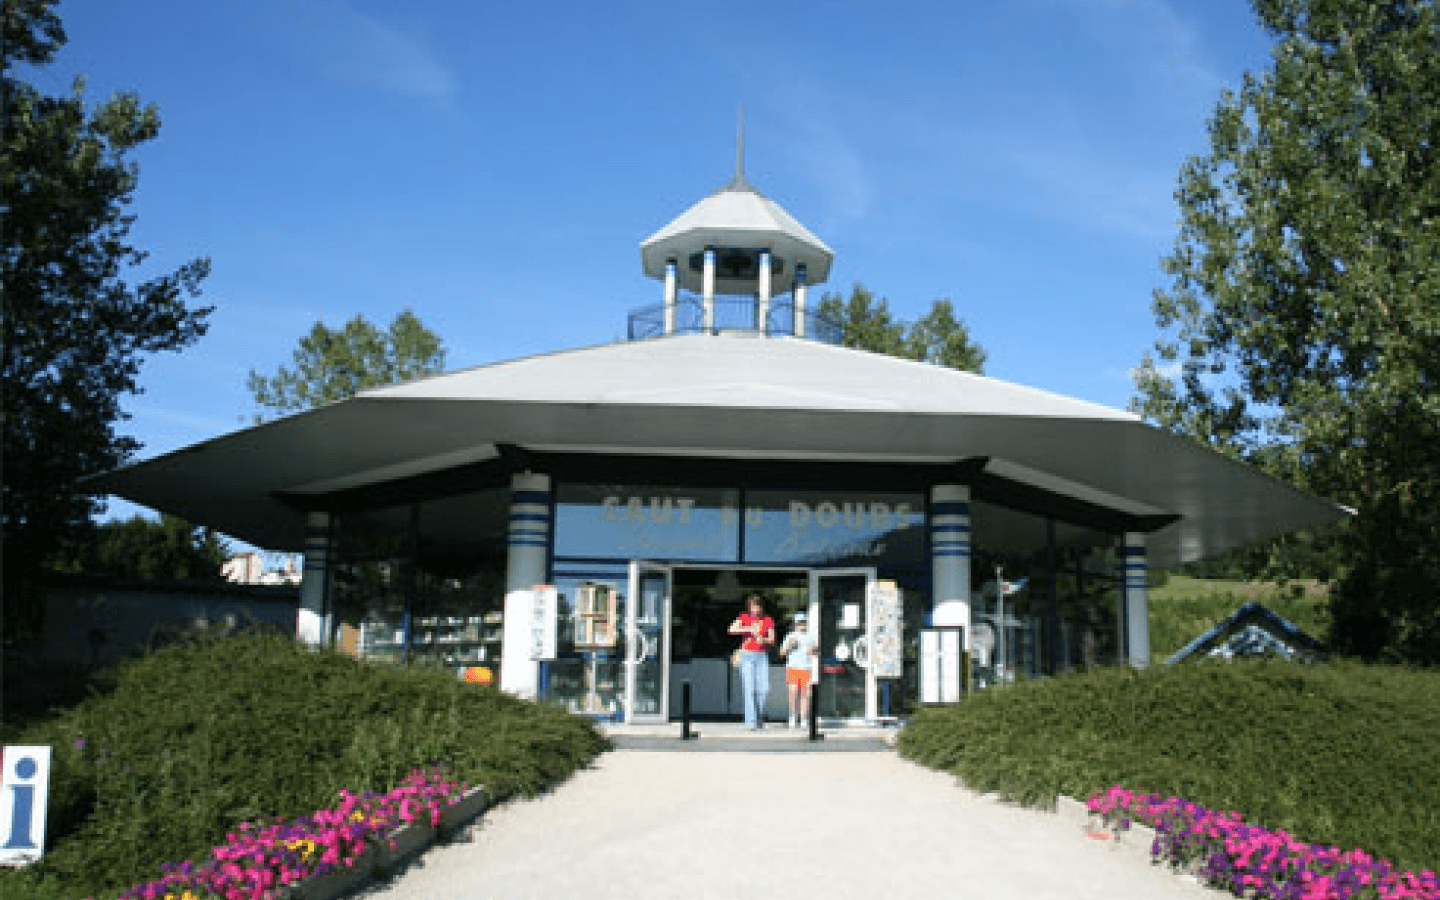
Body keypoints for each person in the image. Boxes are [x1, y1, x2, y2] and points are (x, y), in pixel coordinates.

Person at [728, 594, 774, 730]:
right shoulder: (744, 617)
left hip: (762, 655)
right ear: (749, 607)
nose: (755, 609)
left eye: (757, 606)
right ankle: (751, 721)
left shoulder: (767, 619)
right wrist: (749, 629)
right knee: (749, 688)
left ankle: (757, 717)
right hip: (747, 655)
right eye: (753, 606)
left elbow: (771, 640)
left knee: (763, 689)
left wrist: (762, 639)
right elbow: (731, 629)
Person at [779, 612, 819, 729]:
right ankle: (792, 717)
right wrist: (789, 646)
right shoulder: (790, 636)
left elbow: (816, 651)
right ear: (795, 624)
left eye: (804, 622)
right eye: (799, 622)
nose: (802, 624)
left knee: (805, 695)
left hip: (806, 667)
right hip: (792, 667)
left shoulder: (811, 636)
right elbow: (781, 653)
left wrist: (814, 649)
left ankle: (804, 719)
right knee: (793, 693)